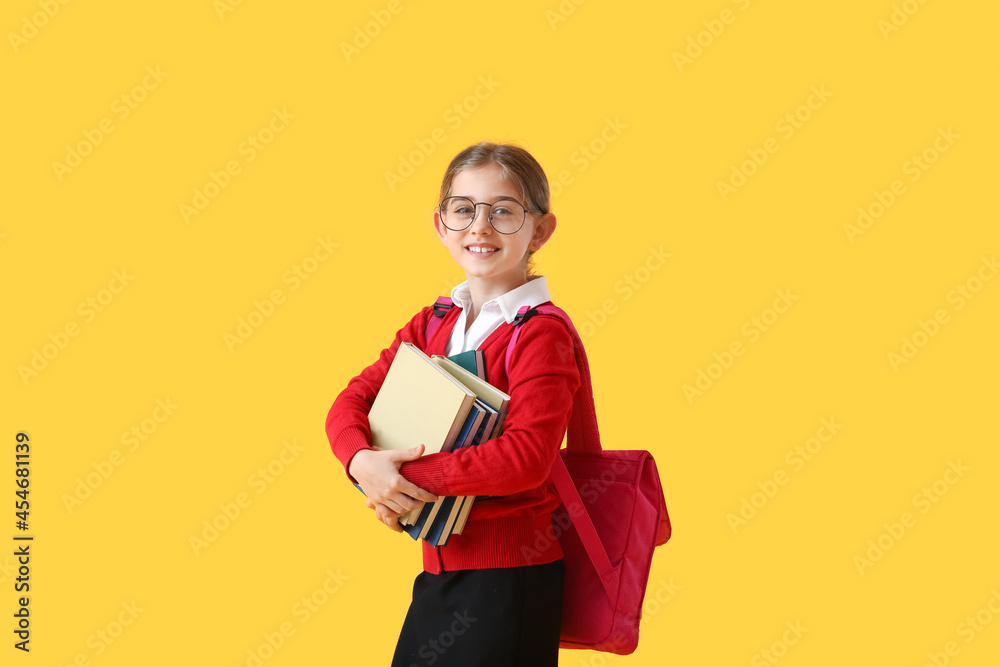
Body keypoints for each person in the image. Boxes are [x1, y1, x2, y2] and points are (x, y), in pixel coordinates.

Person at [326, 141, 581, 666]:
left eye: (504, 212)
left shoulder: (541, 334)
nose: (480, 227)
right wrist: (361, 462)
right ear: (441, 225)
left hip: (512, 575)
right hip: (444, 566)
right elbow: (351, 400)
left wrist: (404, 478)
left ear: (541, 230)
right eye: (464, 209)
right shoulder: (434, 322)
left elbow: (525, 458)